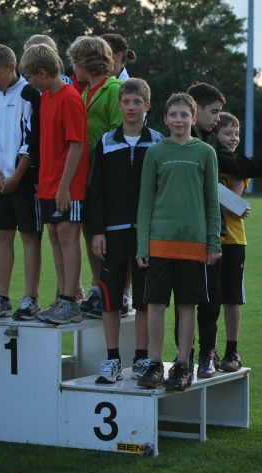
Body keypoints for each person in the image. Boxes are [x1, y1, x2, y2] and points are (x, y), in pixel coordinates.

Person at [174, 82, 262, 379]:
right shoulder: (175, 144)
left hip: (217, 238)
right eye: (214, 112)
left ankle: (208, 354)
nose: (217, 119)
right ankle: (182, 358)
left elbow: (240, 166)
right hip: (184, 234)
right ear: (197, 109)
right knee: (185, 300)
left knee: (213, 299)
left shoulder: (211, 144)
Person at [136, 93, 221, 391]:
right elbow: (145, 201)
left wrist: (213, 242)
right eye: (173, 114)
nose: (178, 120)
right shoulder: (156, 153)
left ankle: (183, 364)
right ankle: (155, 363)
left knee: (187, 305)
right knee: (155, 304)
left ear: (194, 118)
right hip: (159, 242)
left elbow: (212, 200)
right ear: (165, 118)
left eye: (184, 114)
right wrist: (142, 245)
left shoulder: (206, 152)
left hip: (193, 244)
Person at [86, 78, 163, 383]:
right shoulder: (106, 142)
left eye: (137, 102)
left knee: (144, 299)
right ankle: (112, 359)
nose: (131, 107)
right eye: (127, 102)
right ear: (119, 105)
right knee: (110, 298)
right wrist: (97, 231)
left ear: (147, 106)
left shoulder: (158, 142)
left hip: (147, 234)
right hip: (112, 232)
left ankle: (141, 358)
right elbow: (96, 190)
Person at [20, 44, 90, 324]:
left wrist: (64, 186)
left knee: (68, 237)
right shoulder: (47, 97)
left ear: (41, 72)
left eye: (29, 76)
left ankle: (71, 300)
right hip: (48, 184)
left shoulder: (70, 98)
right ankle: (63, 297)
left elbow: (77, 146)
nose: (29, 82)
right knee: (55, 238)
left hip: (67, 186)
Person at [0, 43, 43, 321]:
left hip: (25, 180)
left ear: (12, 67)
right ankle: (2, 297)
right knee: (3, 235)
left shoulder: (30, 94)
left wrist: (17, 175)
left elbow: (32, 138)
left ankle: (30, 298)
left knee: (29, 236)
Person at [66, 36, 123, 319]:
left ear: (85, 63)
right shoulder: (86, 92)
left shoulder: (114, 89)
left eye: (74, 62)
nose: (72, 68)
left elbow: (118, 131)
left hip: (108, 174)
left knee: (110, 234)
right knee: (91, 230)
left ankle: (118, 291)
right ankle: (98, 288)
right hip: (87, 174)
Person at [213, 112, 251, 372]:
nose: (234, 138)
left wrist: (209, 188)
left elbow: (232, 205)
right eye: (228, 133)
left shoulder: (239, 168)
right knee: (209, 300)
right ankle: (210, 350)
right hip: (208, 240)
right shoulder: (206, 160)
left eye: (237, 134)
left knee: (232, 299)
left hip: (233, 240)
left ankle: (232, 350)